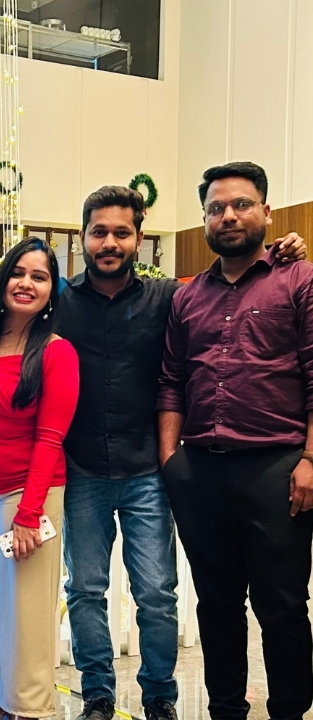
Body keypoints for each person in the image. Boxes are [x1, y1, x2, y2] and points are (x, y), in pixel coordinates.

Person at [54, 185, 306, 720]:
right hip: (82, 469)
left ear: (139, 239)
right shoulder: (58, 301)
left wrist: (282, 248)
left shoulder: (168, 296)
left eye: (122, 232)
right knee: (85, 590)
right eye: (99, 232)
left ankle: (160, 697)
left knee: (158, 593)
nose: (109, 242)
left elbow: (229, 287)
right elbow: (0, 308)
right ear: (82, 237)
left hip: (149, 469)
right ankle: (97, 695)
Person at [158, 161, 313, 720]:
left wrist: (310, 458)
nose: (228, 216)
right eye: (216, 208)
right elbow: (172, 380)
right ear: (204, 219)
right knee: (216, 603)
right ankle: (225, 709)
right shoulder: (187, 297)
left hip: (278, 467)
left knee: (282, 605)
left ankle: (290, 711)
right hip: (201, 469)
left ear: (266, 212)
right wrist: (171, 460)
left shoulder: (298, 279)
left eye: (241, 204)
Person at [0, 237, 80, 720]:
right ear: (3, 279)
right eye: (18, 273)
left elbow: (50, 439)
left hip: (27, 493)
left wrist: (29, 514)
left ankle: (27, 708)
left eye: (39, 277)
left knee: (24, 612)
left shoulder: (56, 352)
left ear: (51, 291)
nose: (26, 283)